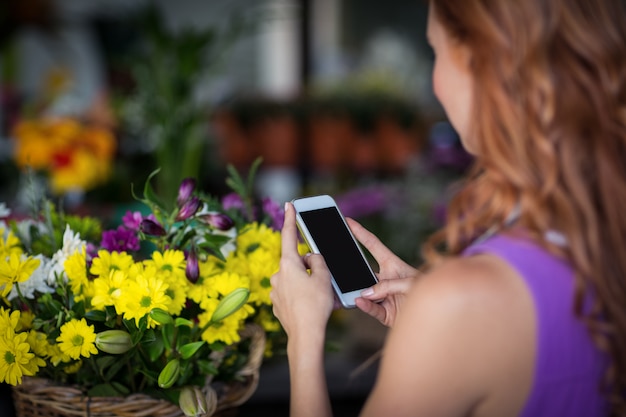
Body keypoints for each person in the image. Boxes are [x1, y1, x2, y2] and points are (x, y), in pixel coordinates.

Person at [269, 0, 626, 416]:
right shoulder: (607, 241)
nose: (435, 84)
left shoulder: (460, 304)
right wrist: (438, 327)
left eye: (436, 52)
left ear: (482, 65)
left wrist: (303, 338)